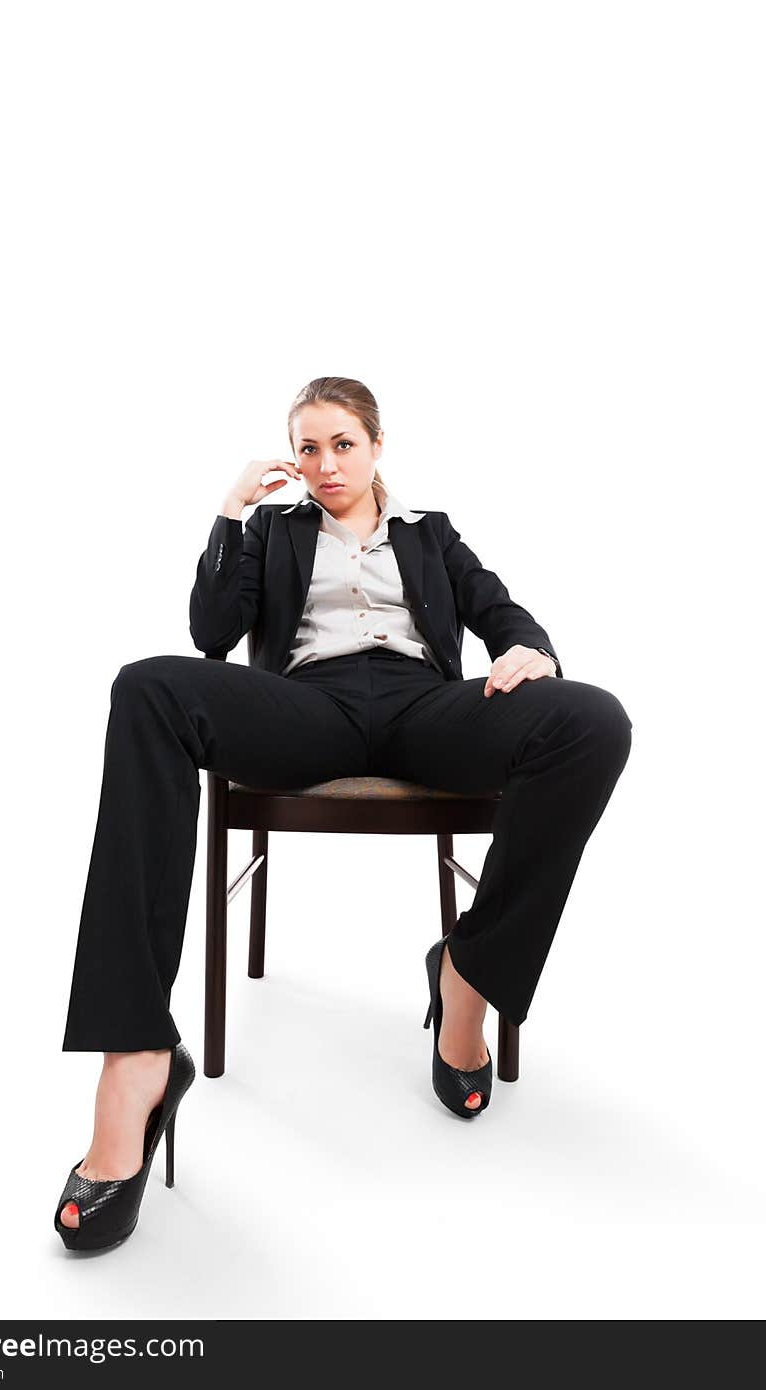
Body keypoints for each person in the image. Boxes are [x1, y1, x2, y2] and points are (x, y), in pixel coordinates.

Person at [54, 375, 632, 1251]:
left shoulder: (430, 534)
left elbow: (496, 605)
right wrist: (229, 513)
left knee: (592, 720)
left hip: (423, 712)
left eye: (343, 445)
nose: (326, 465)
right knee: (148, 687)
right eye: (309, 448)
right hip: (306, 712)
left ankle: (469, 977)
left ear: (376, 445)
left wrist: (527, 646)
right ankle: (135, 1057)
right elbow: (211, 632)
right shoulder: (273, 531)